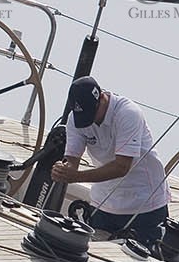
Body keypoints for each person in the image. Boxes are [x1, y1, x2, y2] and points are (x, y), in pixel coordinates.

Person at [49, 76, 172, 249]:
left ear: (101, 97)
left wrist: (75, 176)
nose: (88, 120)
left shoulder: (128, 113)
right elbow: (72, 160)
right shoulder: (76, 119)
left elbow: (122, 167)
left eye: (91, 114)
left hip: (145, 206)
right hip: (104, 205)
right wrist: (63, 170)